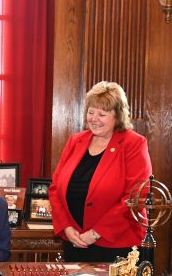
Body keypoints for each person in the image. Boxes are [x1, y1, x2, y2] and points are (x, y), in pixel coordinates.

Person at [48, 81, 152, 262]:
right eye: (91, 112)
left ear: (117, 116)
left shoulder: (134, 144)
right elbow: (55, 188)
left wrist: (96, 233)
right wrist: (66, 227)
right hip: (75, 241)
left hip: (117, 244)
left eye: (102, 114)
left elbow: (137, 196)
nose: (94, 119)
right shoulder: (75, 141)